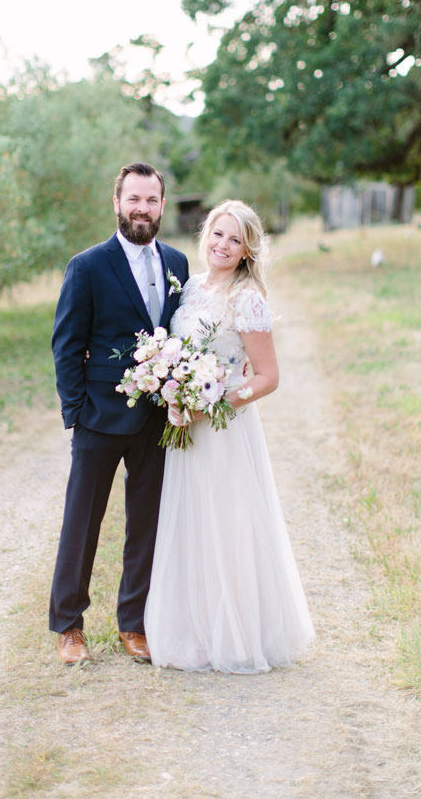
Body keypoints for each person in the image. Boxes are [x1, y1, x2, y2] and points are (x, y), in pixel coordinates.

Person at [144, 200, 315, 672]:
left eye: (234, 239)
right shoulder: (190, 288)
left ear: (246, 251)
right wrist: (172, 388)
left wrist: (211, 404)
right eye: (217, 234)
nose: (222, 245)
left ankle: (237, 636)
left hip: (222, 428)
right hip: (185, 427)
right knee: (191, 523)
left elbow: (267, 376)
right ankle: (195, 631)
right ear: (205, 236)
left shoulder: (247, 299)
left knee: (228, 525)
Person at [50, 162, 190, 665]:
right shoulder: (87, 266)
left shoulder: (178, 262)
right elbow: (66, 344)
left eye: (151, 200)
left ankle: (134, 623)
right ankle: (69, 625)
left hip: (158, 419)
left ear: (162, 206)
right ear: (117, 202)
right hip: (98, 418)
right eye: (134, 199)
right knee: (82, 523)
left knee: (147, 524)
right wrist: (76, 413)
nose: (142, 209)